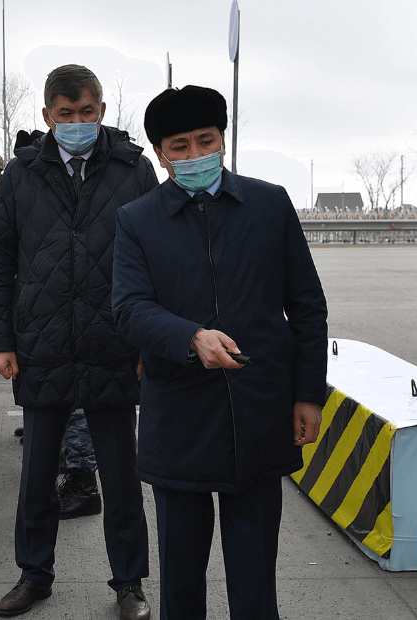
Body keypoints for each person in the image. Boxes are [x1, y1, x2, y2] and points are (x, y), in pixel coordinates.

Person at [111, 85, 328, 620]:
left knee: (255, 574)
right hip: (179, 417)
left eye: (205, 141)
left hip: (258, 412)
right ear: (160, 154)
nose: (195, 155)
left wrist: (307, 395)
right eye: (179, 146)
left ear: (223, 139)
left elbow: (306, 305)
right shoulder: (137, 220)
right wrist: (190, 337)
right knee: (180, 574)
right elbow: (129, 308)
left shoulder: (269, 204)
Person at [0, 63, 157, 620]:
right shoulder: (21, 173)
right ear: (48, 115)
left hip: (115, 341)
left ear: (102, 110)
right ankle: (34, 574)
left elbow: (157, 259)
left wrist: (149, 344)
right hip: (42, 342)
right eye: (65, 113)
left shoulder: (133, 168)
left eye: (86, 112)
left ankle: (129, 581)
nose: (77, 121)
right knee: (37, 473)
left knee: (122, 477)